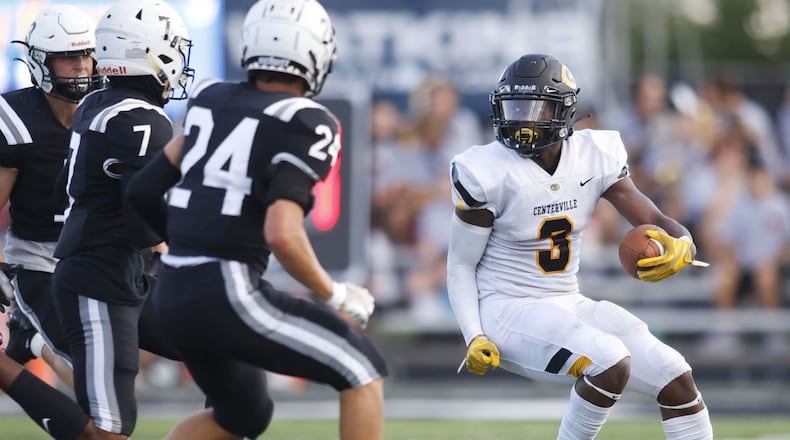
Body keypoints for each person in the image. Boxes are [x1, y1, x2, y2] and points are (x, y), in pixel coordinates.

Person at [126, 1, 387, 439]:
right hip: (227, 290)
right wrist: (335, 293)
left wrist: (191, 240)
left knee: (242, 413)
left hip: (172, 291)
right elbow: (282, 233)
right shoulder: (308, 122)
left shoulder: (213, 100)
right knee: (362, 368)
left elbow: (141, 191)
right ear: (315, 54)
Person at [447, 54, 713, 439]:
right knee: (609, 360)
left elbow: (652, 218)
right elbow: (459, 266)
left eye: (536, 109)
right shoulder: (485, 170)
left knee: (676, 377)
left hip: (567, 302)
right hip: (506, 308)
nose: (523, 120)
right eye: (515, 107)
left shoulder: (593, 156)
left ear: (564, 111)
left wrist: (683, 243)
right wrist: (474, 334)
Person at [52, 0, 192, 437]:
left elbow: (67, 192)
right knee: (109, 428)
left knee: (215, 345)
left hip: (117, 269)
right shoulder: (144, 120)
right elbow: (141, 220)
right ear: (147, 52)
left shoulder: (98, 103)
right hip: (101, 276)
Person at [0, 4, 103, 388]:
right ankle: (33, 338)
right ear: (42, 62)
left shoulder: (111, 112)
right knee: (90, 381)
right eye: (67, 57)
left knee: (193, 335)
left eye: (85, 55)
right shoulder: (15, 120)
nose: (80, 65)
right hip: (40, 260)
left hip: (102, 258)